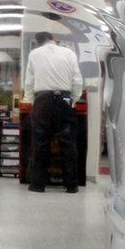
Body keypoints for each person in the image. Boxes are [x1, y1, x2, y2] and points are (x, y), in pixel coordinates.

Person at [23, 31, 82, 193]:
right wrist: (74, 100)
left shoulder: (34, 54)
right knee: (68, 144)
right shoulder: (69, 53)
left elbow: (29, 81)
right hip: (64, 99)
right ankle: (71, 186)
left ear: (37, 42)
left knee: (40, 144)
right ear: (54, 40)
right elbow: (77, 80)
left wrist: (32, 100)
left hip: (43, 100)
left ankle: (37, 185)